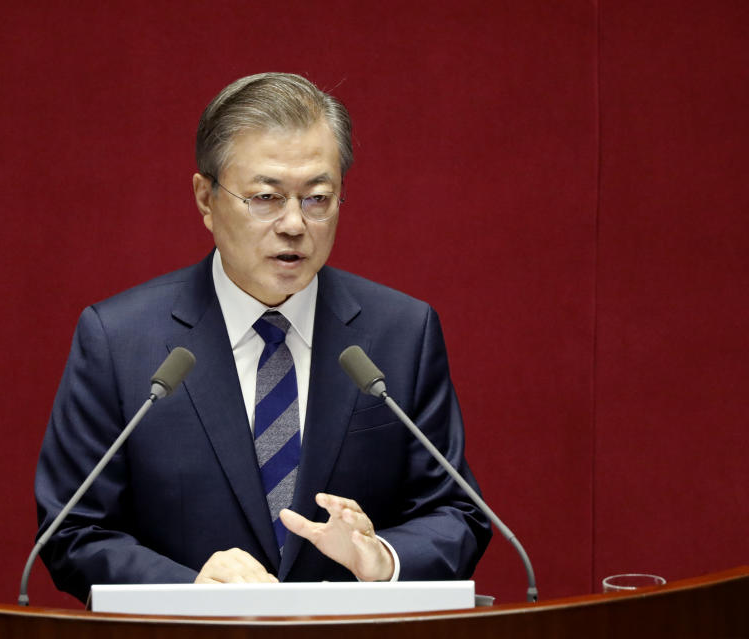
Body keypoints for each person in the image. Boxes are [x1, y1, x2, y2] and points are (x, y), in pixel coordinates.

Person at [35, 72, 491, 602]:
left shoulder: (401, 333)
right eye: (267, 197)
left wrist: (380, 557)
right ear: (206, 199)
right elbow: (71, 531)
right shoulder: (118, 340)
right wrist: (190, 589)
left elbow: (458, 513)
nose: (295, 224)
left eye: (318, 197)